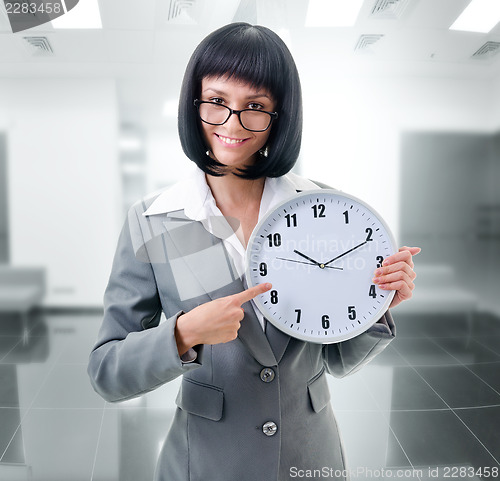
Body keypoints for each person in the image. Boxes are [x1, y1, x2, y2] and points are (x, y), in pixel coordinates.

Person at [88, 23, 419, 481]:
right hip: (204, 462)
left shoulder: (324, 210)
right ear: (194, 103)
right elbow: (106, 371)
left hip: (310, 454)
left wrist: (378, 303)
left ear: (279, 115)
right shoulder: (153, 221)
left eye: (256, 107)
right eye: (218, 102)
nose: (232, 124)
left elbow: (339, 358)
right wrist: (182, 334)